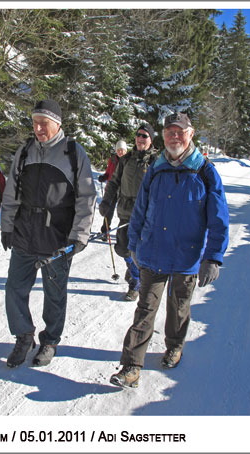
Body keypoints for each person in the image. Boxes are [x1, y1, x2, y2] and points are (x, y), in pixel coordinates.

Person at [110, 112, 229, 388]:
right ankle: (131, 366)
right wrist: (135, 244)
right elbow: (139, 210)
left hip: (187, 256)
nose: (174, 136)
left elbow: (219, 218)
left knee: (179, 307)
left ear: (191, 133)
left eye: (180, 131)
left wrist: (213, 257)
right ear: (163, 136)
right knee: (145, 309)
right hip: (153, 253)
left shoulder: (205, 171)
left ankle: (174, 345)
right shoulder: (157, 168)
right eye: (169, 132)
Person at [0, 99, 96, 368]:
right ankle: (23, 336)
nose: (38, 128)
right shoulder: (25, 151)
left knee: (54, 293)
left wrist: (79, 234)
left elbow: (87, 197)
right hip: (24, 233)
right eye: (34, 123)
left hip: (57, 237)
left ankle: (50, 340)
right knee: (15, 289)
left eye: (44, 123)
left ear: (57, 124)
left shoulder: (73, 153)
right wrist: (7, 226)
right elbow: (12, 192)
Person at [99, 124, 159, 301]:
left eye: (145, 136)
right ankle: (133, 270)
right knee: (123, 249)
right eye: (138, 135)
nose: (140, 138)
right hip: (125, 211)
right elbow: (114, 182)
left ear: (151, 140)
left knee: (140, 251)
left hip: (145, 214)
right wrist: (106, 202)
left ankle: (136, 281)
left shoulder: (156, 162)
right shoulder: (126, 159)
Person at [98, 140, 128, 240]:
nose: (120, 152)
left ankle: (124, 234)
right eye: (118, 150)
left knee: (124, 213)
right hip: (112, 189)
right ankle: (105, 231)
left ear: (125, 150)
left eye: (122, 150)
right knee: (108, 211)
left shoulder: (128, 160)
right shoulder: (113, 159)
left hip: (124, 191)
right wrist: (104, 177)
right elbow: (108, 172)